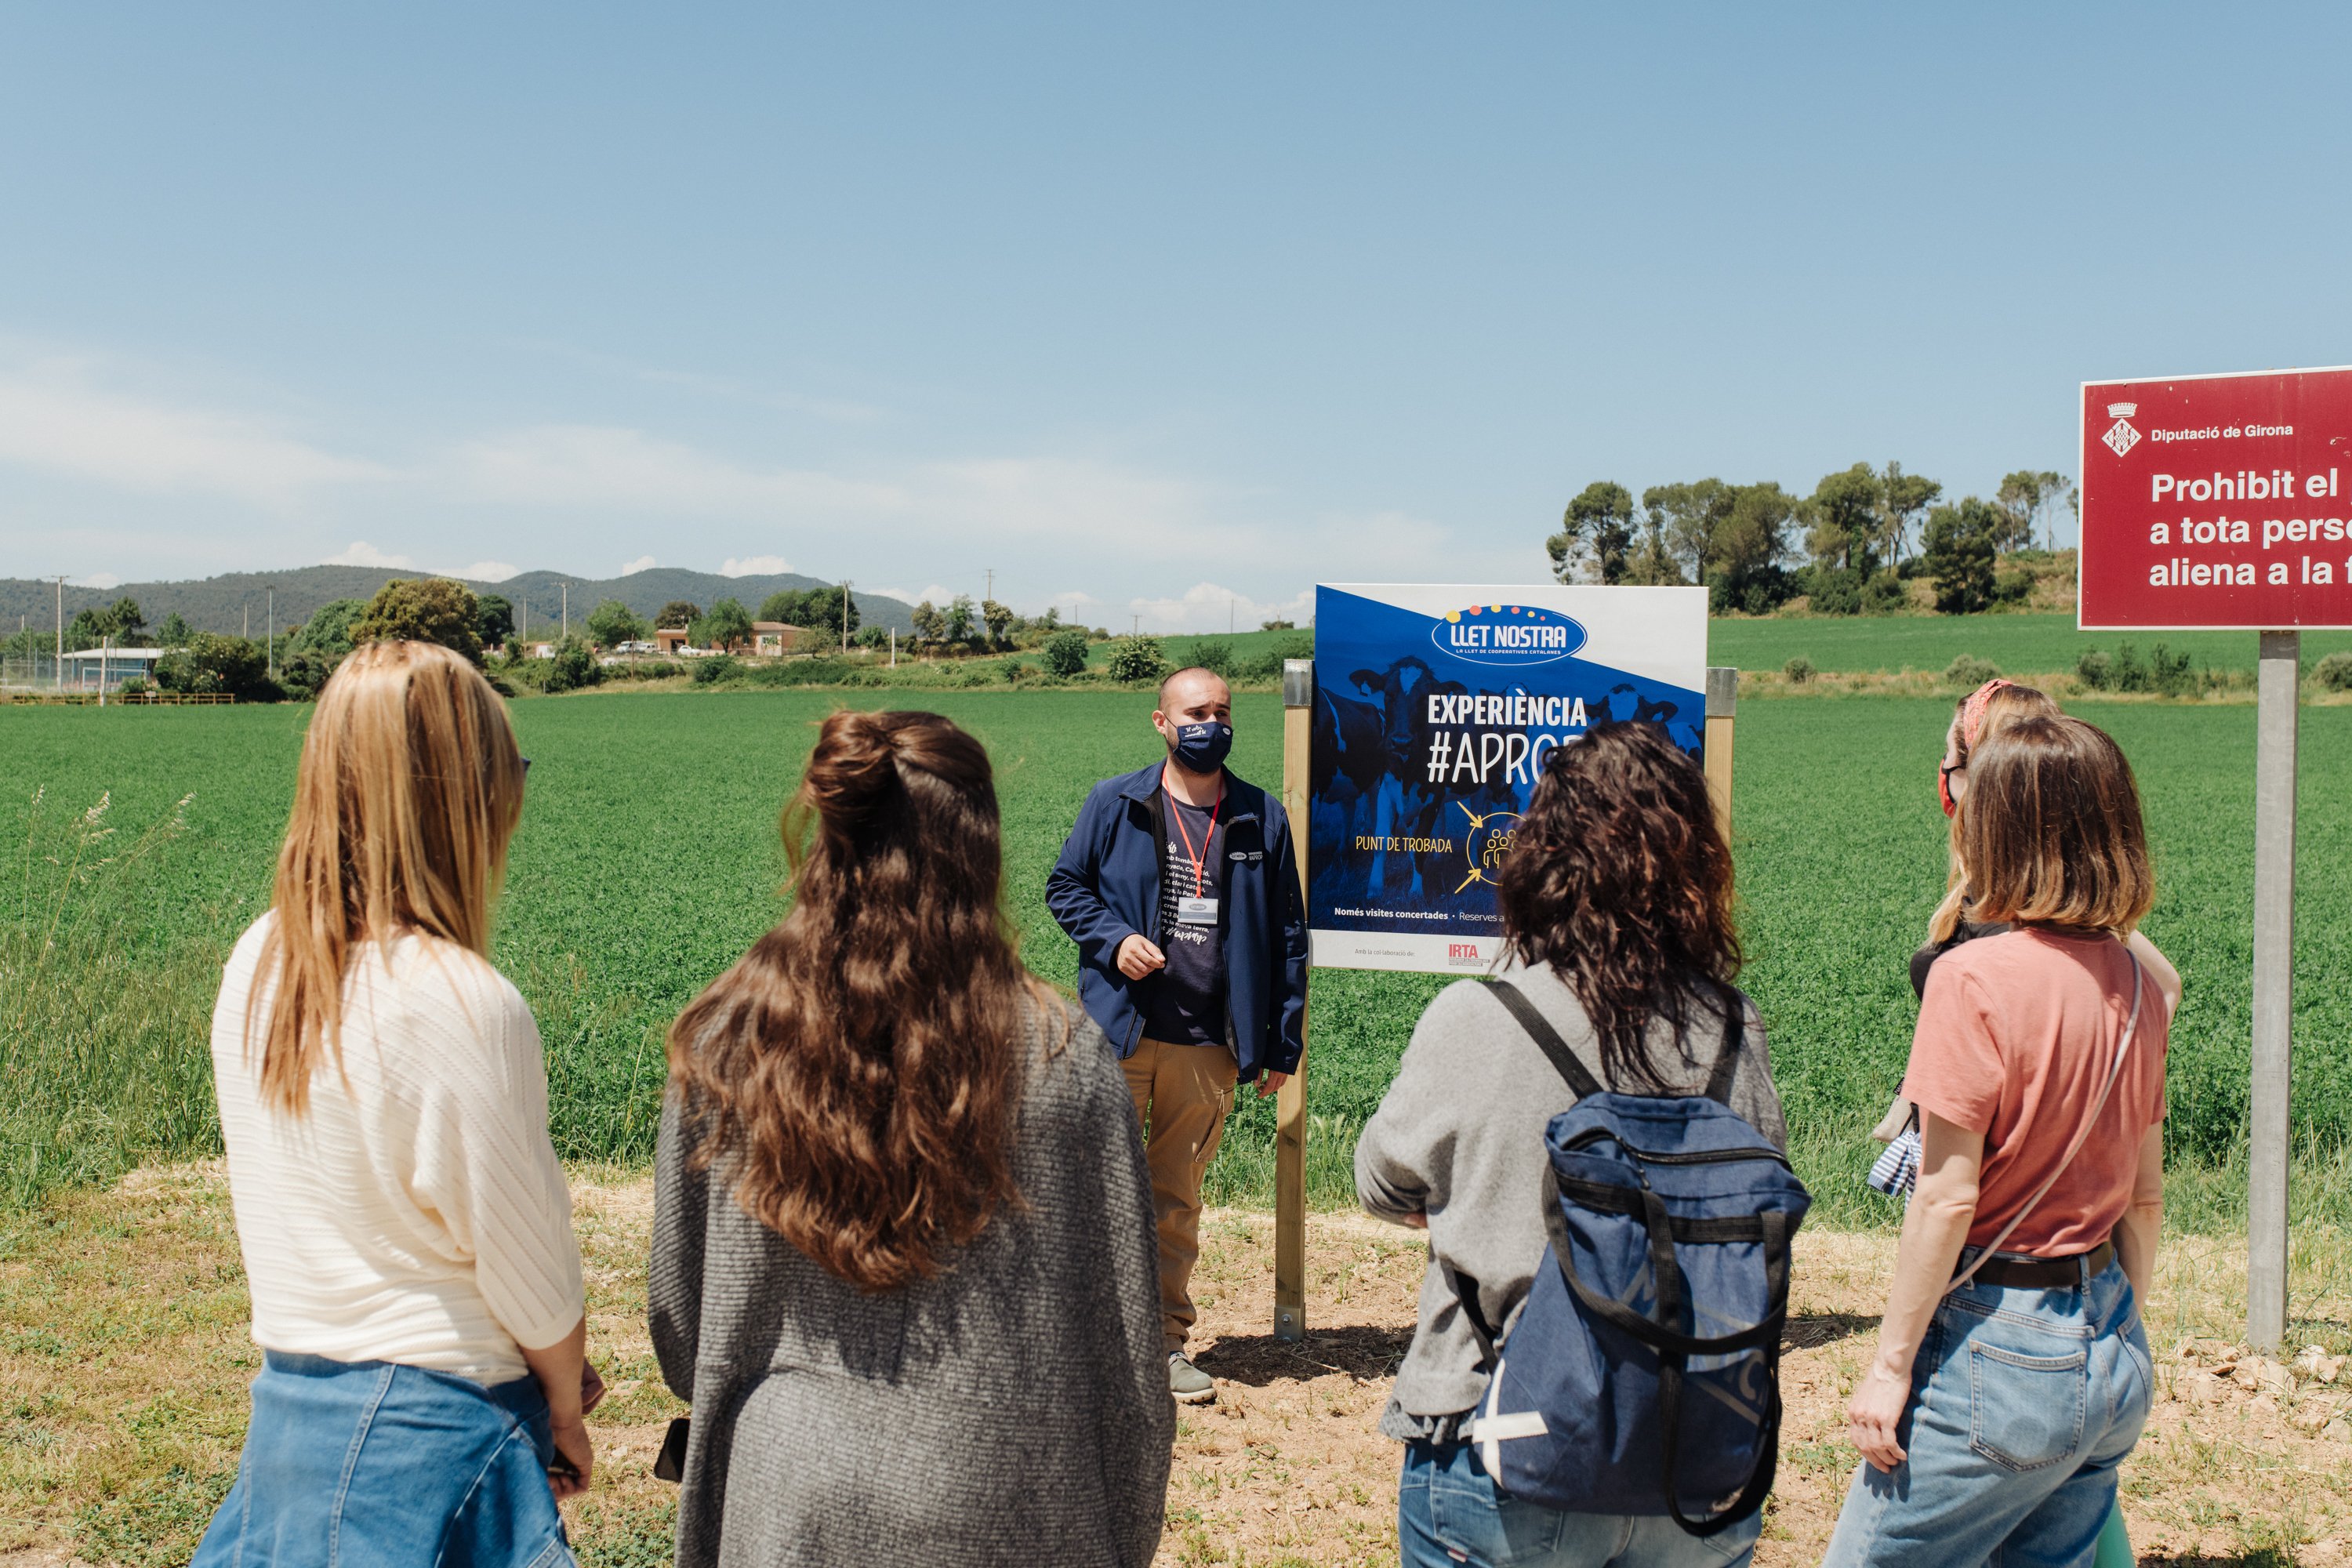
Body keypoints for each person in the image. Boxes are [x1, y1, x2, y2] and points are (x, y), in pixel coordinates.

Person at [651, 710, 1171, 1568]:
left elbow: (681, 1323)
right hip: (1006, 1503)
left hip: (785, 1502)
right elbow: (1127, 1372)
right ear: (981, 851)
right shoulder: (1065, 1057)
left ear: (829, 834)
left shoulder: (724, 1042)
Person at [194, 640, 595, 1568]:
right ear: (462, 795)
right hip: (434, 1434)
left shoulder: (261, 961)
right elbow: (530, 1272)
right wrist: (567, 1408)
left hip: (292, 1417)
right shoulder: (462, 1000)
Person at [1356, 721, 1788, 1568]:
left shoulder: (1478, 1015)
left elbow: (1381, 1178)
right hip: (1692, 1448)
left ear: (1540, 856)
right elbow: (1763, 1189)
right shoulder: (1734, 1024)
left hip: (1503, 1428)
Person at [1825, 716, 2172, 1568]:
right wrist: (2108, 1323)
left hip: (2002, 1349)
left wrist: (1889, 1366)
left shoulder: (1970, 978)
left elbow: (1945, 1196)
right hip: (2111, 1340)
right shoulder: (2141, 980)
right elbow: (2146, 1195)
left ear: (2003, 829)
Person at [1044, 666, 1309, 1404]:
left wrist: (1281, 1041)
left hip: (1207, 1044)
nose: (1211, 723)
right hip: (1119, 1035)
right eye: (1195, 711)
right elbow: (1066, 887)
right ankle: (1086, 1345)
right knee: (1097, 1193)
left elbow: (1289, 936)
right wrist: (1113, 937)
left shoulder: (1260, 816)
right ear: (1161, 722)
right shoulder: (1117, 802)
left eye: (1223, 711)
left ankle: (1163, 1345)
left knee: (1175, 1199)